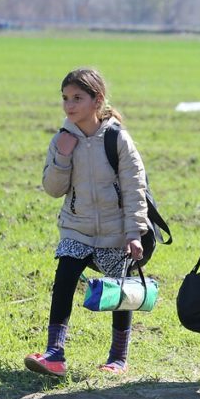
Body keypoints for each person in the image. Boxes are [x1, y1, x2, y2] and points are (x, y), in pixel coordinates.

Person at [26, 68, 151, 377]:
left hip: (116, 232)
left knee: (120, 294)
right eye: (65, 98)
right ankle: (55, 353)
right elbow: (53, 189)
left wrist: (133, 232)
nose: (69, 105)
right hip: (76, 228)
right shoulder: (62, 140)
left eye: (77, 98)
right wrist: (62, 157)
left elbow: (137, 187)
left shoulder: (117, 138)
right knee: (64, 277)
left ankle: (118, 358)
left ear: (97, 100)